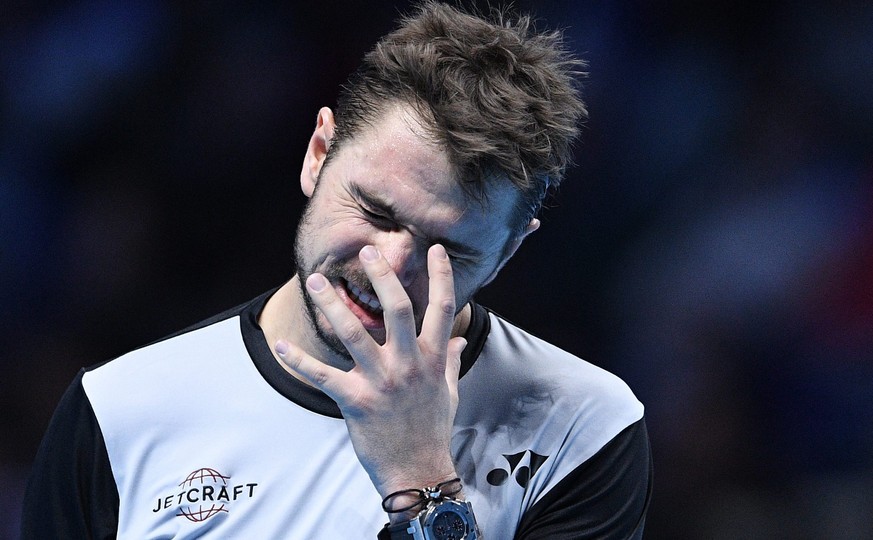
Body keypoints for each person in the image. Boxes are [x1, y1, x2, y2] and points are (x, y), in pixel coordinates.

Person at [22, 2, 651, 538]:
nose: (392, 269)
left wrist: (421, 478)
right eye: (375, 211)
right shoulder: (117, 411)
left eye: (450, 251)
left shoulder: (582, 427)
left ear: (510, 251)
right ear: (318, 154)